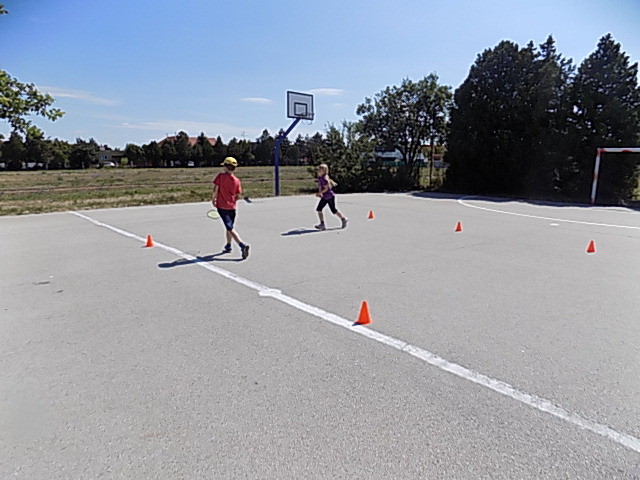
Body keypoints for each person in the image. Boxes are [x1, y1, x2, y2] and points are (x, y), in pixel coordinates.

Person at [212, 157, 250, 259]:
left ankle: (242, 245)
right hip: (232, 208)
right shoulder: (237, 181)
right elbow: (238, 195)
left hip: (222, 207)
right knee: (229, 226)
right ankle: (228, 245)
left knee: (230, 228)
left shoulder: (220, 177)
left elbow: (215, 190)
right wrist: (232, 201)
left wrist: (214, 199)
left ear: (225, 167)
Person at [314, 163, 348, 230]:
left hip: (330, 196)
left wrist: (320, 193)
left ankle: (344, 219)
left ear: (324, 171)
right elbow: (320, 186)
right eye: (318, 170)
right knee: (319, 209)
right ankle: (322, 224)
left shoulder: (324, 179)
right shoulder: (320, 177)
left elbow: (326, 189)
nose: (318, 171)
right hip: (325, 197)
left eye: (320, 170)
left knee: (334, 210)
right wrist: (320, 193)